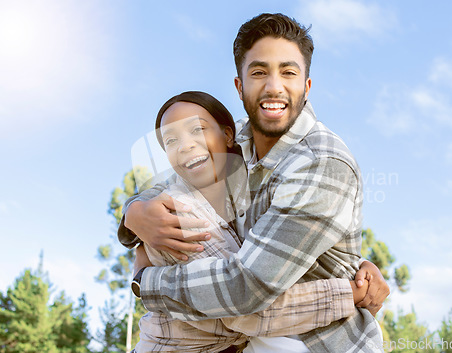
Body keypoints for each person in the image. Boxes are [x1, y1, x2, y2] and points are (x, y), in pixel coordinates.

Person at [121, 13, 389, 352]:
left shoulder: (323, 164)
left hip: (314, 343)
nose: (274, 86)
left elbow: (246, 289)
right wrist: (135, 213)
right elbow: (175, 182)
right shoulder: (237, 141)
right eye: (259, 72)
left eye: (288, 72)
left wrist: (146, 284)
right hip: (250, 339)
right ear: (240, 85)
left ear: (306, 86)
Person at [132, 90, 371, 352]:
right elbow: (247, 310)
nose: (185, 145)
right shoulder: (180, 214)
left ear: (228, 135)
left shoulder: (244, 187)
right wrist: (349, 293)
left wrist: (354, 265)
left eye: (198, 129)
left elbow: (284, 241)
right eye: (171, 140)